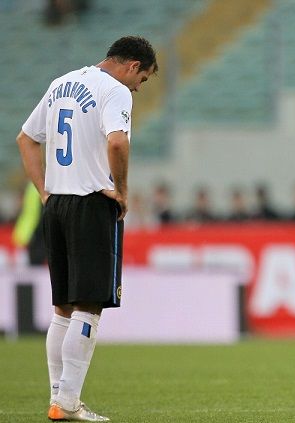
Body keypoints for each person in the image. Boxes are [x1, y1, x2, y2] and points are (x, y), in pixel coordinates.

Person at [16, 35, 157, 422]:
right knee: (89, 305)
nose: (137, 88)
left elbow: (26, 139)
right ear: (132, 66)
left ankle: (58, 399)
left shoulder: (61, 83)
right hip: (91, 202)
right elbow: (117, 143)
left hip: (57, 204)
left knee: (61, 307)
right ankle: (69, 401)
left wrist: (45, 192)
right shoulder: (115, 91)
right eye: (141, 80)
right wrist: (123, 191)